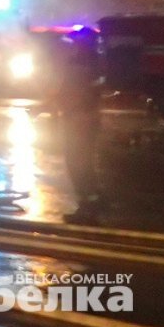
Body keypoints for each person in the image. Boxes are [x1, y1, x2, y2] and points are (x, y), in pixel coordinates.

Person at [58, 26, 103, 224]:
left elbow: (74, 91)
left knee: (77, 163)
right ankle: (92, 201)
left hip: (79, 118)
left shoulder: (81, 63)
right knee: (83, 161)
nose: (73, 44)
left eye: (77, 41)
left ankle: (87, 207)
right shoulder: (94, 62)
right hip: (84, 117)